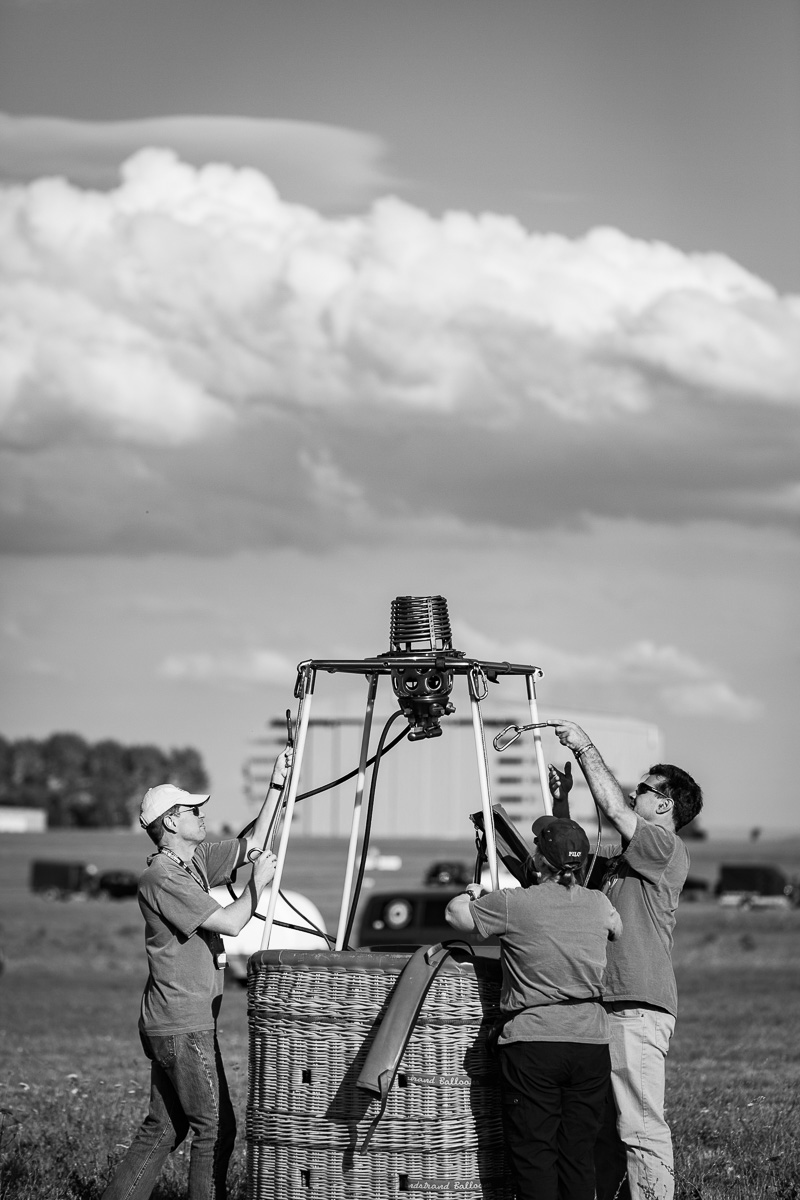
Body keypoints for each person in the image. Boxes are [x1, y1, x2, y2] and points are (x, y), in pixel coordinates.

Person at [101, 742, 293, 1200]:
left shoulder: (194, 862)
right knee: (216, 1129)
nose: (202, 815)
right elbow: (230, 922)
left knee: (163, 1131)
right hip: (182, 1024)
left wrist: (276, 786)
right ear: (171, 822)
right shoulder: (163, 878)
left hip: (174, 1023)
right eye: (192, 810)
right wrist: (257, 887)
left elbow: (254, 845)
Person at [546, 719, 703, 1200]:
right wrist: (562, 802)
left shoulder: (664, 846)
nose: (636, 794)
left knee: (638, 1125)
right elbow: (566, 861)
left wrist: (583, 744)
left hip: (636, 1004)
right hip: (604, 1005)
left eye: (644, 788)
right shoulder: (627, 858)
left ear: (664, 803)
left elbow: (613, 807)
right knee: (603, 1130)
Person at [445, 814, 622, 1200]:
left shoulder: (515, 904)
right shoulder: (598, 902)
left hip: (533, 1041)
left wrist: (471, 895)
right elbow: (616, 928)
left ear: (540, 860)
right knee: (578, 1155)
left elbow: (454, 916)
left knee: (534, 1155)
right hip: (591, 1043)